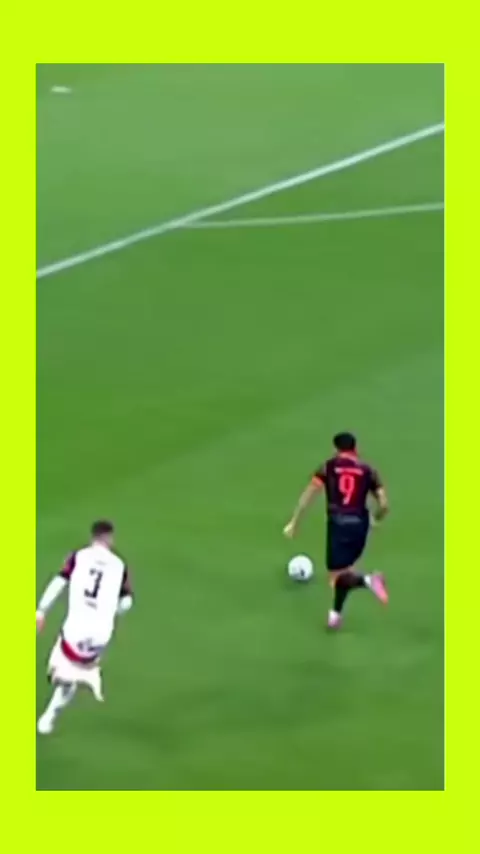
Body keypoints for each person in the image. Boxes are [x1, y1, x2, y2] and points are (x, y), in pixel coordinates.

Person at [36, 520, 133, 734]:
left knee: (62, 672)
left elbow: (60, 581)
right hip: (101, 635)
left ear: (93, 537)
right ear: (110, 539)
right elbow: (127, 602)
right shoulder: (120, 566)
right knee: (75, 668)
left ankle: (61, 693)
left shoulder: (78, 557)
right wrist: (112, 611)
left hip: (75, 629)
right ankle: (55, 709)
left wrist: (41, 610)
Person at [284, 432, 389, 629]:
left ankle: (369, 580)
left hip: (339, 524)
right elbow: (384, 504)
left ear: (336, 449)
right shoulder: (368, 470)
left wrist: (294, 522)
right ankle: (335, 616)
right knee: (345, 572)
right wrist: (375, 519)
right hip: (360, 525)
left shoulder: (328, 467)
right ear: (355, 448)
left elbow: (308, 495)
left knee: (337, 578)